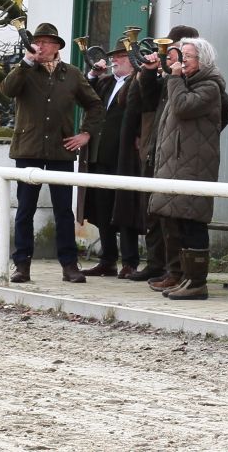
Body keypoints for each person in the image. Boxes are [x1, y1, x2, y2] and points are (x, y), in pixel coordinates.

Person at [1, 22, 105, 284]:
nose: (40, 46)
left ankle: (69, 265)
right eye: (37, 41)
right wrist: (26, 62)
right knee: (25, 209)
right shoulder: (24, 70)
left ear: (57, 46)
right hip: (29, 149)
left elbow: (95, 105)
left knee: (63, 211)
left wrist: (85, 134)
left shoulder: (71, 74)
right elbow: (7, 90)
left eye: (45, 42)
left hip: (61, 149)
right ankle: (21, 264)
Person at [146, 37, 225, 300]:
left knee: (193, 224)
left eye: (187, 57)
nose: (181, 61)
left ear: (202, 61)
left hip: (194, 167)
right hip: (176, 165)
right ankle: (183, 276)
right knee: (177, 223)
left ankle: (197, 282)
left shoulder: (210, 87)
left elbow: (182, 107)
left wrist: (175, 78)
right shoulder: (185, 84)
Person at [135, 26, 199, 288]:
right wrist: (149, 73)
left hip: (180, 157)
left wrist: (191, 141)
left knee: (175, 219)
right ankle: (158, 264)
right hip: (157, 151)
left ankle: (178, 271)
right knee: (154, 213)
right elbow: (146, 101)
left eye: (178, 50)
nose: (172, 54)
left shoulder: (194, 81)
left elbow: (221, 113)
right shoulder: (170, 77)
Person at [81, 39, 142, 278]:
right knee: (102, 208)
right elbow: (85, 97)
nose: (114, 60)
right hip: (101, 154)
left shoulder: (138, 81)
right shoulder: (106, 82)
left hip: (124, 156)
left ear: (133, 60)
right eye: (114, 56)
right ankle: (107, 259)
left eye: (120, 56)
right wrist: (93, 75)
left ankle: (130, 261)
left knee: (125, 208)